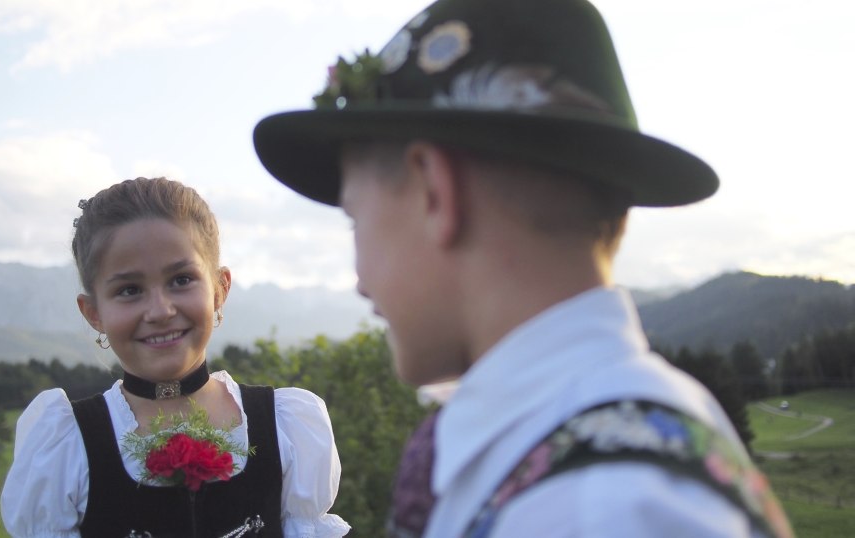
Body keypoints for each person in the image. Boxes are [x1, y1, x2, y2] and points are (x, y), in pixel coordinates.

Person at [252, 0, 795, 537]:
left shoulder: (598, 510)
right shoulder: (636, 428)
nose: (359, 282)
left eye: (355, 221)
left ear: (433, 193)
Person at [0, 177, 350, 538]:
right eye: (129, 290)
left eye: (181, 280)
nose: (160, 310)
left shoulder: (284, 426)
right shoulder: (67, 444)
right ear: (93, 312)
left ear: (220, 288)